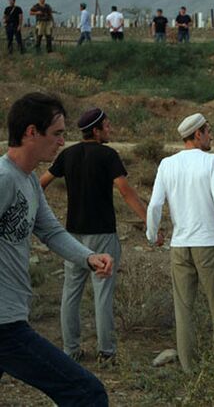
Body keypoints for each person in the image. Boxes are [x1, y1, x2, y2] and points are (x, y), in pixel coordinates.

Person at [0, 92, 113, 406]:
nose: (63, 141)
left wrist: (88, 257)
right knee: (87, 393)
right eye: (58, 133)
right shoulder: (3, 179)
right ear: (31, 133)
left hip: (11, 317)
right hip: (4, 325)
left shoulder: (30, 181)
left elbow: (50, 231)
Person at [39, 107, 147, 365]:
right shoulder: (108, 155)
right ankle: (106, 352)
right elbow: (125, 191)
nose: (110, 130)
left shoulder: (68, 154)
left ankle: (71, 349)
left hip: (73, 236)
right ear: (96, 131)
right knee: (103, 293)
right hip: (102, 235)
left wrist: (38, 213)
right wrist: (148, 219)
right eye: (107, 126)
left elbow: (40, 182)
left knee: (71, 292)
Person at [146, 113, 214, 372]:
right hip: (210, 245)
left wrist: (152, 234)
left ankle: (189, 368)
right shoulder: (212, 161)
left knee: (183, 310)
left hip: (180, 246)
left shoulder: (166, 164)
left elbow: (155, 204)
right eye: (208, 131)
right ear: (197, 135)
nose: (211, 136)